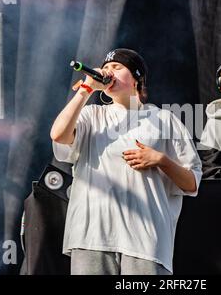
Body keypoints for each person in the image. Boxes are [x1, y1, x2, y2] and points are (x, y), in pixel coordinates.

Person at [50, 48, 202, 275]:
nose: (108, 72)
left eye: (117, 67)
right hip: (92, 235)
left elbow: (192, 183)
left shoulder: (163, 119)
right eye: (106, 67)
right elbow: (59, 135)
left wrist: (161, 160)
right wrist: (85, 89)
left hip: (145, 239)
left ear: (137, 79)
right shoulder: (93, 115)